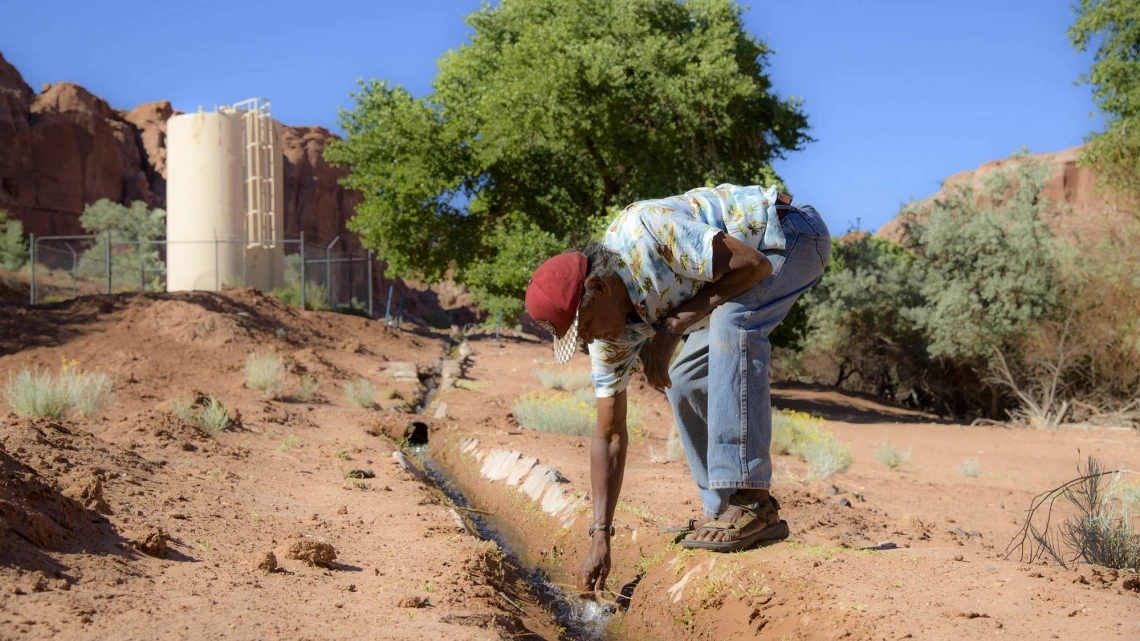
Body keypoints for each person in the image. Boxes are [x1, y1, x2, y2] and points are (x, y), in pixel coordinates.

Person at [523, 184, 831, 594]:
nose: (590, 340)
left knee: (734, 325)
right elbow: (609, 434)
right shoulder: (610, 336)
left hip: (786, 236)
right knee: (684, 378)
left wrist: (671, 327)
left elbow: (753, 266)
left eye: (585, 326)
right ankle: (722, 509)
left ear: (599, 288)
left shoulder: (647, 234)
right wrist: (600, 534)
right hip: (742, 272)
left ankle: (753, 502)